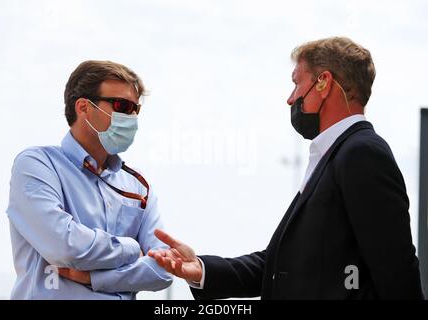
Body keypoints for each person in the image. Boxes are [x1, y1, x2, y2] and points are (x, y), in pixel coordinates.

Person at [148, 37, 425, 299]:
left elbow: (396, 271)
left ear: (323, 83)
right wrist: (201, 269)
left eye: (296, 84)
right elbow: (280, 265)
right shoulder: (335, 156)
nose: (291, 99)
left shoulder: (361, 153)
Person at [7, 60, 172, 299]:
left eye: (136, 109)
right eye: (121, 105)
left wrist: (96, 278)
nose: (132, 116)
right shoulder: (36, 165)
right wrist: (132, 248)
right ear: (84, 107)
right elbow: (64, 247)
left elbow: (163, 269)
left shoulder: (138, 185)